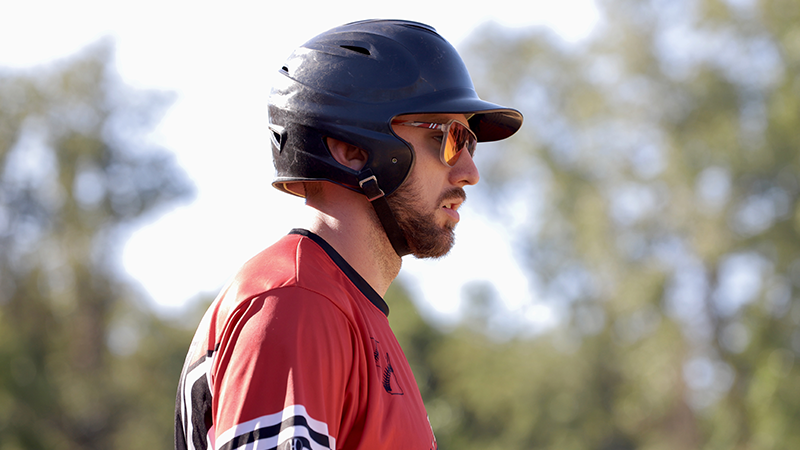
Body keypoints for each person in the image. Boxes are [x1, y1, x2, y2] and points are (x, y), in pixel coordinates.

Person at [174, 19, 522, 450]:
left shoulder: (345, 310)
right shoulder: (296, 303)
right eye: (451, 138)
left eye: (470, 143)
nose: (470, 171)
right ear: (353, 149)